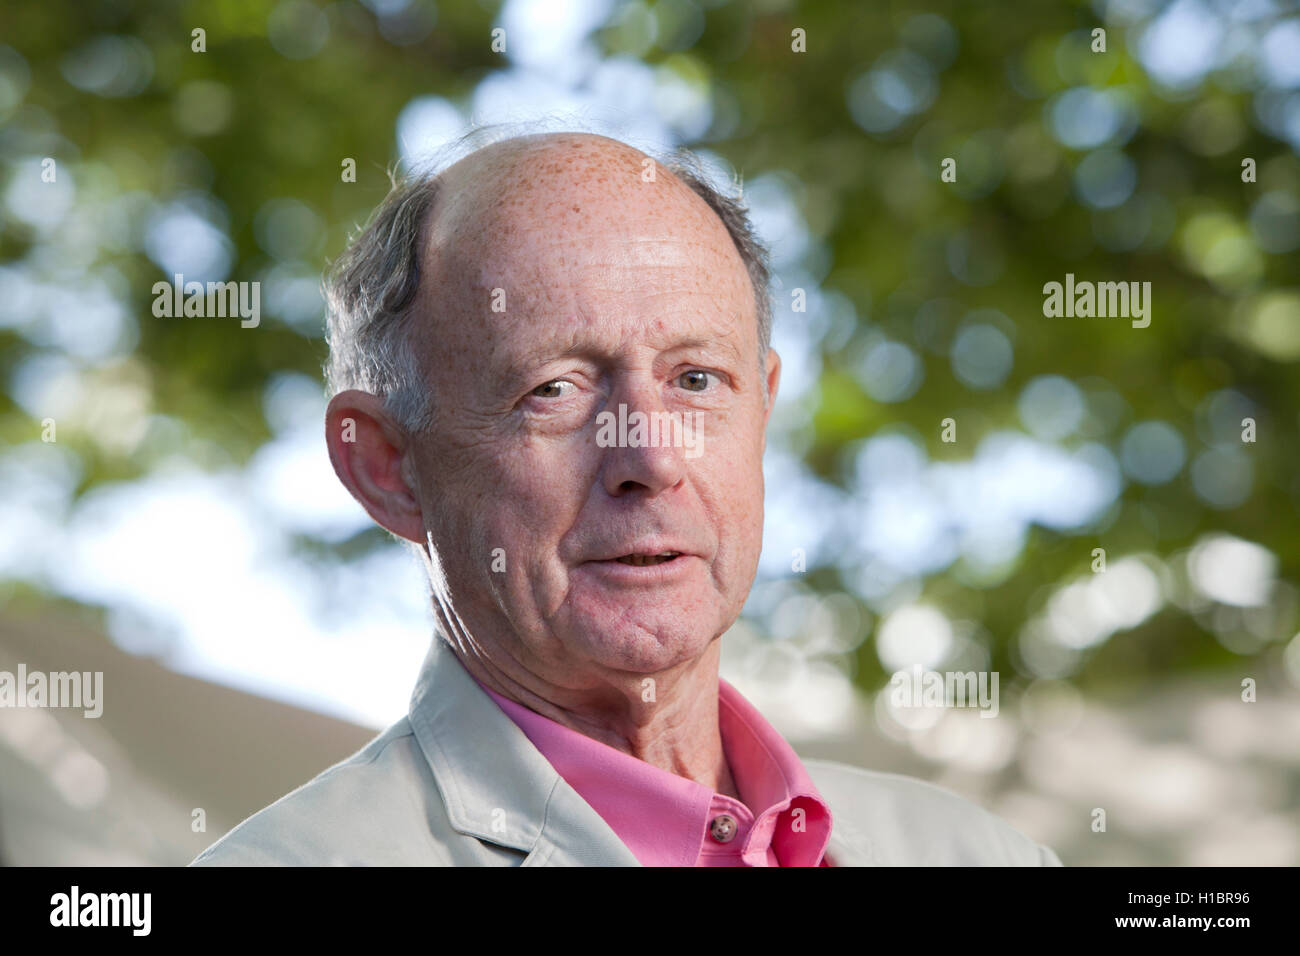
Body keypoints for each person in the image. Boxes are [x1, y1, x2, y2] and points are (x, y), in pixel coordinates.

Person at [192, 128, 1062, 866]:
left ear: (762, 407)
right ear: (386, 466)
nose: (647, 455)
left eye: (695, 379)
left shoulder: (981, 854)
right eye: (554, 390)